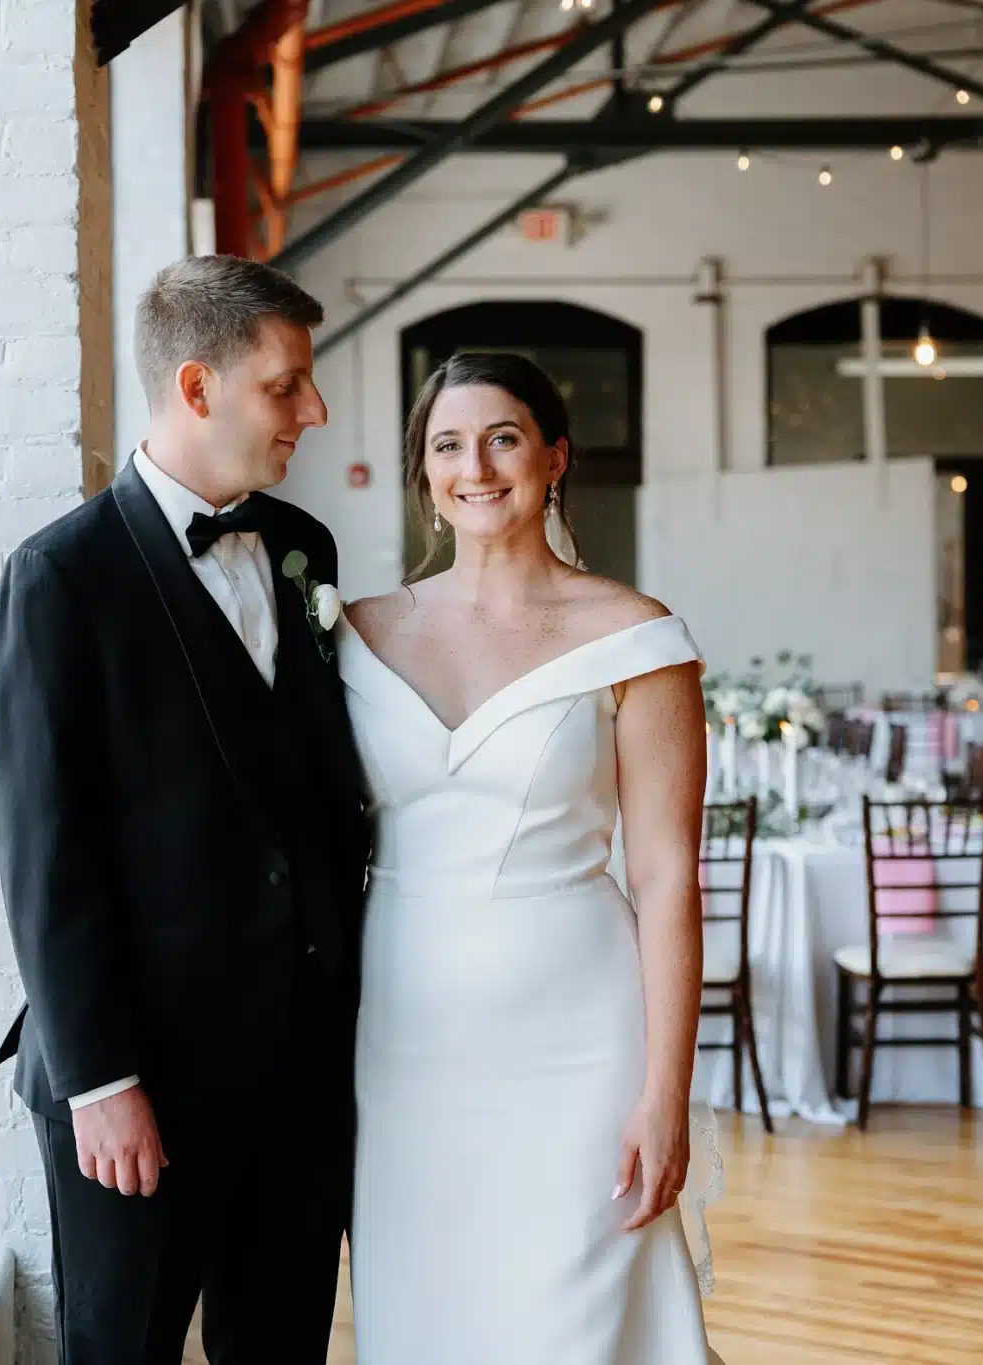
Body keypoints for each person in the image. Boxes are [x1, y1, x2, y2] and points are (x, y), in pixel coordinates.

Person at [0, 255, 370, 1364]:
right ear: (197, 387)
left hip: (301, 1078)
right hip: (140, 1082)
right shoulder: (59, 577)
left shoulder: (303, 549)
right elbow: (45, 855)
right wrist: (101, 1081)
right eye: (286, 385)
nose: (313, 410)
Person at [341, 351, 721, 1362]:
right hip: (402, 1037)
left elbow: (665, 879)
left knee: (576, 1321)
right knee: (427, 1312)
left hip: (580, 1041)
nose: (475, 467)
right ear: (424, 471)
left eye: (502, 438)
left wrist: (664, 1095)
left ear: (554, 457)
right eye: (447, 445)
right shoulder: (355, 635)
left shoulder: (636, 638)